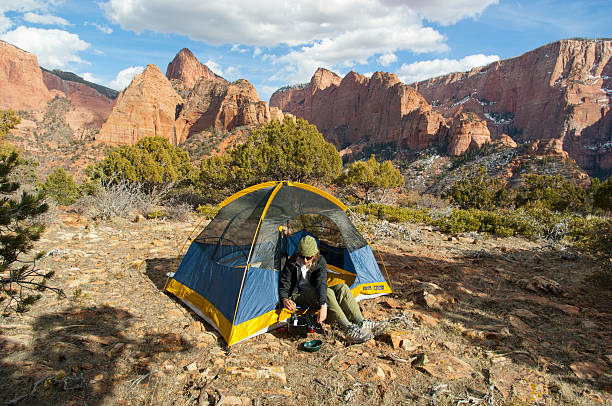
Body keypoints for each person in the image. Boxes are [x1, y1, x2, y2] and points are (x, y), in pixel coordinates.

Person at [278, 235, 383, 343]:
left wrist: (323, 305)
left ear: (315, 254)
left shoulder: (320, 261)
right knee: (328, 293)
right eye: (302, 256)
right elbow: (284, 284)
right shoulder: (292, 262)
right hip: (298, 295)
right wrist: (285, 299)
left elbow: (321, 283)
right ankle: (348, 329)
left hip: (314, 292)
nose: (305, 260)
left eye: (308, 257)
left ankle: (361, 322)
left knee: (342, 287)